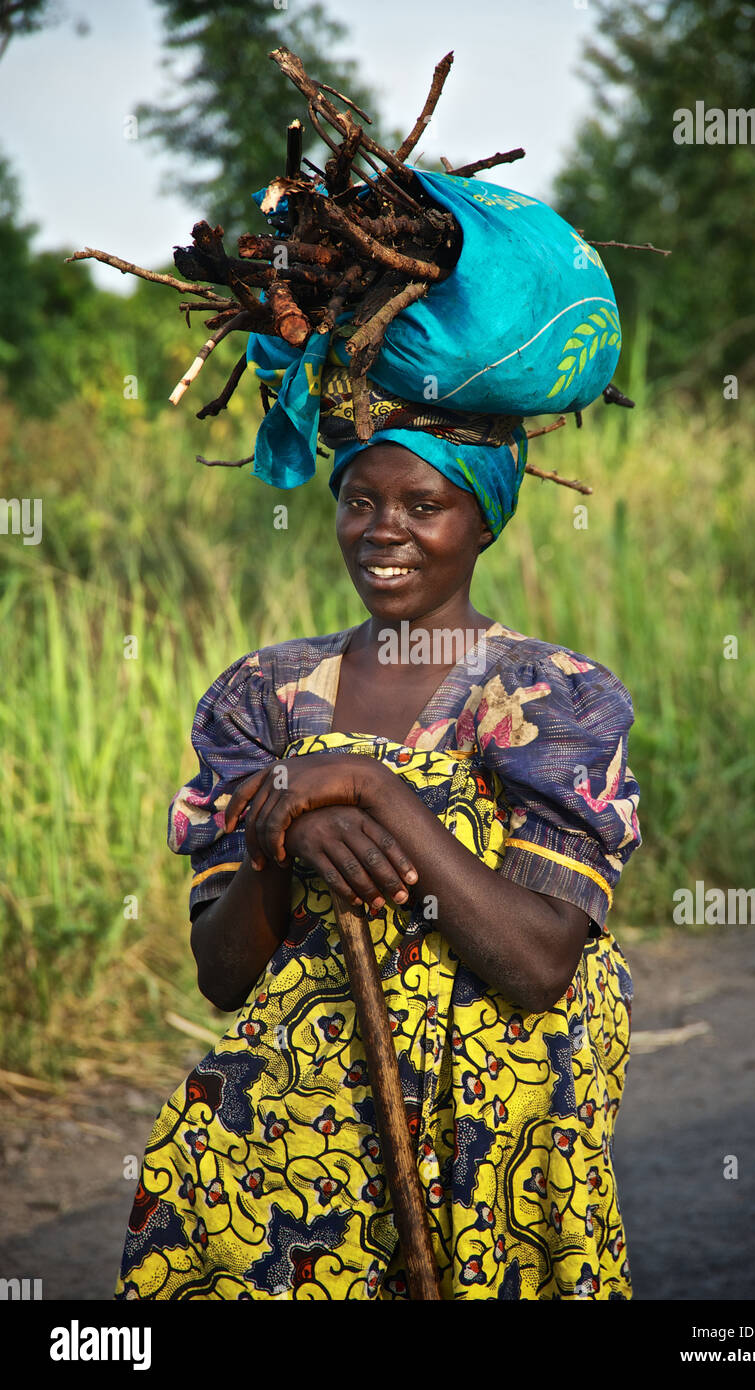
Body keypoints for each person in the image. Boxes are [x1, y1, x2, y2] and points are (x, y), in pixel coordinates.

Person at [116, 372, 641, 1301]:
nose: (383, 530)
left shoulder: (547, 696)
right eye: (359, 501)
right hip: (302, 1136)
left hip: (494, 1138)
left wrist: (368, 787)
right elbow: (222, 974)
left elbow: (535, 961)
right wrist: (289, 828)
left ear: (482, 519)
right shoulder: (264, 696)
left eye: (423, 505)